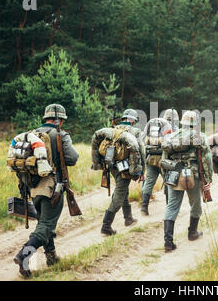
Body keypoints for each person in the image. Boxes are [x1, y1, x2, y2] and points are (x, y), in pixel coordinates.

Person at [14, 104, 79, 278]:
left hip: (32, 187)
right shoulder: (61, 134)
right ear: (60, 120)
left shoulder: (33, 134)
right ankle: (23, 256)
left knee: (44, 222)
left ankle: (51, 257)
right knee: (47, 225)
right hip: (52, 187)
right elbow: (72, 158)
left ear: (46, 118)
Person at [161, 110, 213, 252]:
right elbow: (206, 159)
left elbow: (163, 160)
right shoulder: (199, 137)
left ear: (182, 123)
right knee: (195, 204)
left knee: (172, 206)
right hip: (192, 175)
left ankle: (168, 242)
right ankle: (192, 233)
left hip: (174, 174)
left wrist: (165, 178)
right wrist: (208, 179)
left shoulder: (170, 137)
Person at [92, 108, 146, 236]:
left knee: (123, 189)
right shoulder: (135, 131)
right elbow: (141, 151)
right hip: (126, 168)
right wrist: (142, 170)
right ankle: (106, 226)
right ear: (132, 120)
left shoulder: (112, 130)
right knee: (120, 193)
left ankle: (128, 218)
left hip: (111, 166)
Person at [139, 110, 175, 215]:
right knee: (168, 181)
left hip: (150, 158)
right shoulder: (172, 127)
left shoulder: (153, 125)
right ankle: (170, 208)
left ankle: (144, 207)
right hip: (165, 160)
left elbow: (142, 139)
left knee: (149, 181)